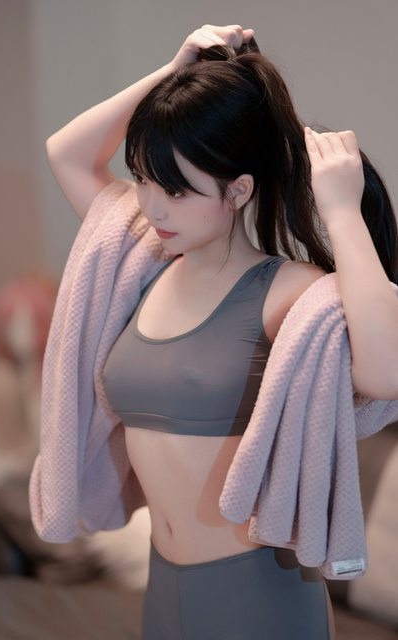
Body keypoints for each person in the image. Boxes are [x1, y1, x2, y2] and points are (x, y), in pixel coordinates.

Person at [39, 24, 398, 640]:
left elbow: (387, 373)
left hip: (261, 597)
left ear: (238, 191)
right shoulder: (139, 261)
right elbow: (66, 152)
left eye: (177, 190)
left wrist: (341, 210)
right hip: (163, 590)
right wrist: (172, 75)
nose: (152, 206)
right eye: (143, 179)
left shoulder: (288, 292)